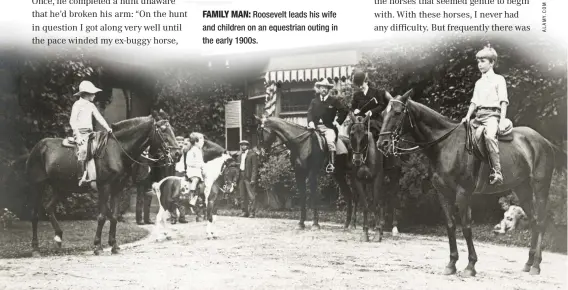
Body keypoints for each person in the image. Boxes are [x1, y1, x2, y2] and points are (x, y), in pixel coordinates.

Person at [461, 43, 509, 185]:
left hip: (492, 116)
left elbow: (503, 101)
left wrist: (502, 120)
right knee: (462, 134)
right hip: (478, 116)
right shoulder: (478, 83)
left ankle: (497, 171)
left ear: (492, 62)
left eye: (483, 61)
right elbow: (474, 102)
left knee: (489, 137)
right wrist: (468, 116)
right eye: (478, 62)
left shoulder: (499, 80)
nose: (479, 65)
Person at [69, 80, 112, 186]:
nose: (94, 95)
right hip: (80, 133)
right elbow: (72, 121)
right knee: (83, 150)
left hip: (90, 133)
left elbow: (99, 117)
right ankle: (81, 177)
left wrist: (107, 128)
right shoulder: (77, 104)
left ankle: (97, 176)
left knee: (102, 146)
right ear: (86, 93)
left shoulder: (91, 105)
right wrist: (78, 137)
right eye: (92, 93)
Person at [307, 78, 349, 173]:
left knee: (330, 141)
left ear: (328, 89)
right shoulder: (314, 101)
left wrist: (337, 122)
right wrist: (311, 122)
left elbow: (344, 110)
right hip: (315, 127)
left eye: (326, 88)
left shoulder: (333, 101)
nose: (324, 90)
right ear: (319, 88)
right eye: (322, 87)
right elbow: (309, 113)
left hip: (328, 128)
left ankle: (331, 164)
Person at [350, 68, 393, 138]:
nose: (360, 87)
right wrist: (354, 110)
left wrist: (372, 111)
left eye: (361, 84)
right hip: (361, 120)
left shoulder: (376, 92)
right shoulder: (356, 95)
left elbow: (381, 105)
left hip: (374, 119)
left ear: (366, 82)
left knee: (374, 130)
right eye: (358, 85)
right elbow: (352, 107)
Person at [237, 140, 259, 218]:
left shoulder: (252, 154)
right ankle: (244, 212)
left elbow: (254, 168)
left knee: (251, 195)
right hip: (241, 176)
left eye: (244, 145)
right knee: (242, 195)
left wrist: (253, 179)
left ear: (247, 146)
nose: (243, 146)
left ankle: (252, 212)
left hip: (248, 177)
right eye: (241, 145)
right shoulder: (239, 156)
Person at [185, 132, 205, 199]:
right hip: (192, 171)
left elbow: (201, 161)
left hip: (198, 170)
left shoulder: (199, 150)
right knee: (195, 179)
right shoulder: (192, 150)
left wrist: (203, 165)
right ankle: (191, 194)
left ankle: (200, 196)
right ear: (196, 142)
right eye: (202, 140)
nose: (203, 142)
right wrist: (198, 165)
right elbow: (188, 162)